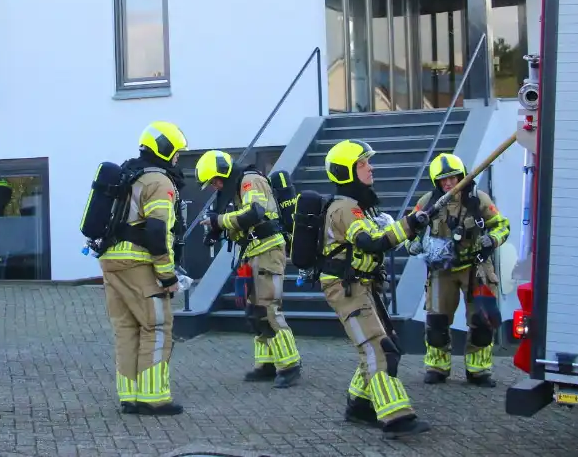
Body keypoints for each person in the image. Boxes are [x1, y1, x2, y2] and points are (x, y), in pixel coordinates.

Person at [320, 139, 431, 438]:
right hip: (346, 289)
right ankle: (396, 418)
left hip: (362, 285)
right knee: (378, 349)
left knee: (383, 344)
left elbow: (378, 235)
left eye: (368, 162)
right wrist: (409, 225)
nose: (370, 168)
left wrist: (411, 225)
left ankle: (359, 404)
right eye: (362, 164)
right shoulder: (345, 208)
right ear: (346, 172)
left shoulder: (359, 205)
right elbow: (371, 241)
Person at [99, 121, 188, 416]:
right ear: (164, 150)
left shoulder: (128, 176)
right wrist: (167, 275)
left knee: (126, 329)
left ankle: (130, 395)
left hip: (111, 260)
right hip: (139, 263)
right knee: (157, 326)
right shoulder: (158, 182)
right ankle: (153, 397)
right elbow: (157, 231)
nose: (177, 160)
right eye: (176, 154)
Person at [196, 149, 302, 388]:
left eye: (215, 181)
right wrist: (218, 230)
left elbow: (255, 212)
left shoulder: (249, 180)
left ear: (223, 172)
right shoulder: (235, 187)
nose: (215, 186)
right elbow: (241, 221)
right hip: (252, 252)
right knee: (255, 311)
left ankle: (290, 364)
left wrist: (220, 221)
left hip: (267, 251)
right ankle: (266, 363)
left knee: (269, 308)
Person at [412, 152, 510, 387]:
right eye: (443, 179)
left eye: (453, 177)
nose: (449, 183)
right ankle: (437, 368)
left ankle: (478, 371)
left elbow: (502, 225)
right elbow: (410, 228)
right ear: (436, 182)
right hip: (440, 271)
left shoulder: (479, 199)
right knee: (436, 322)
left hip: (476, 268)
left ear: (462, 176)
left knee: (482, 322)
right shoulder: (427, 202)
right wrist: (413, 244)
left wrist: (492, 240)